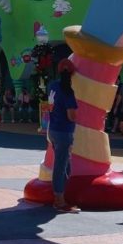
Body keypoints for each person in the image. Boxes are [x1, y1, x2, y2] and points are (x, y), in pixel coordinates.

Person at [47, 66, 80, 213]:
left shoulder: (53, 86)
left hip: (53, 129)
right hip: (64, 131)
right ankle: (59, 200)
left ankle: (61, 196)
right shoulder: (68, 91)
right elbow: (71, 116)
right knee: (61, 166)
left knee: (65, 166)